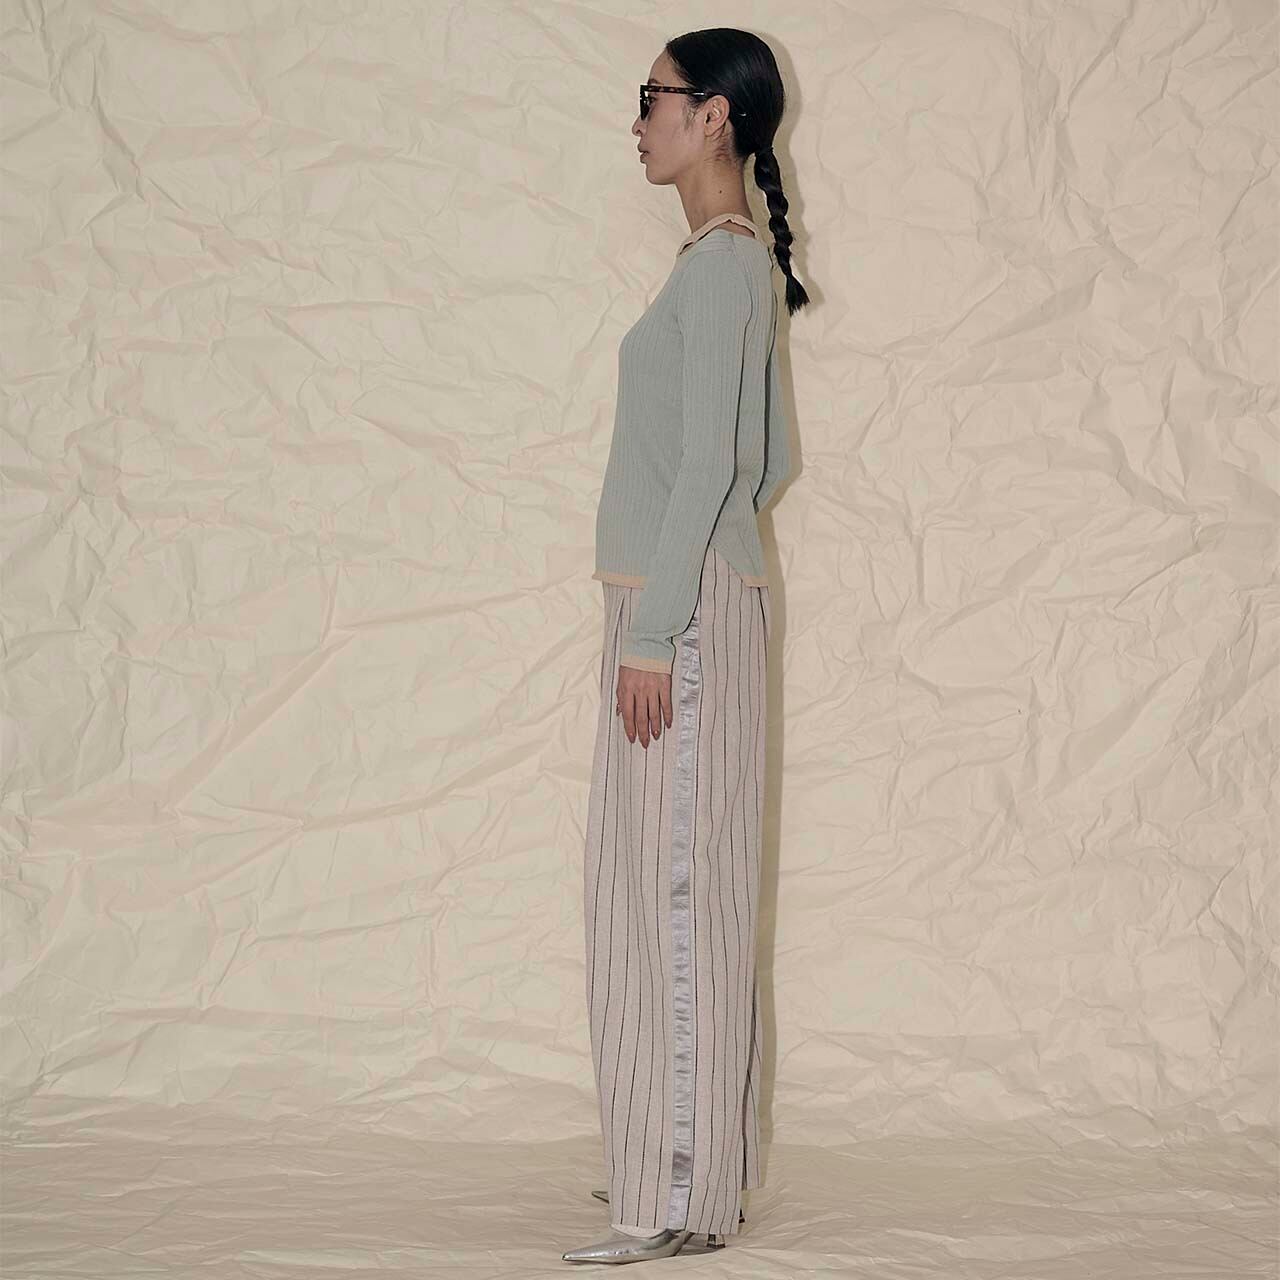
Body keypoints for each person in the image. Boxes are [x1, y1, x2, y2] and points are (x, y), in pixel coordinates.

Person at [562, 27, 809, 1267]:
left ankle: (672, 1189)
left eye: (651, 97)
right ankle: (685, 1165)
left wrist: (660, 623)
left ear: (712, 115)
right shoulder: (724, 267)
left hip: (680, 613)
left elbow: (716, 463)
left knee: (666, 892)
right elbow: (772, 458)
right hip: (689, 597)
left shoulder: (719, 270)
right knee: (670, 884)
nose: (638, 121)